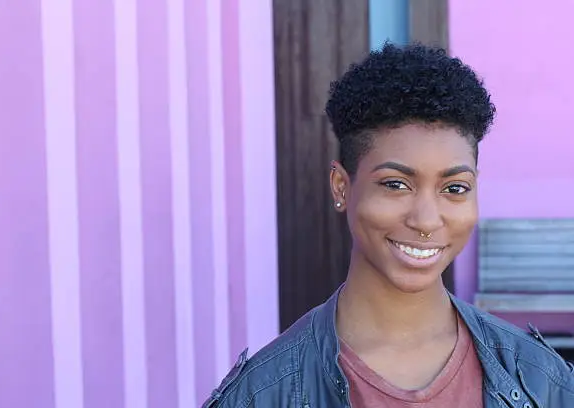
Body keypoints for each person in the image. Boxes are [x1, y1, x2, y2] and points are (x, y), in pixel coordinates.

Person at [202, 43, 574, 408]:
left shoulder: (541, 381)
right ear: (341, 187)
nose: (427, 220)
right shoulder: (263, 394)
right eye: (396, 184)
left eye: (455, 188)